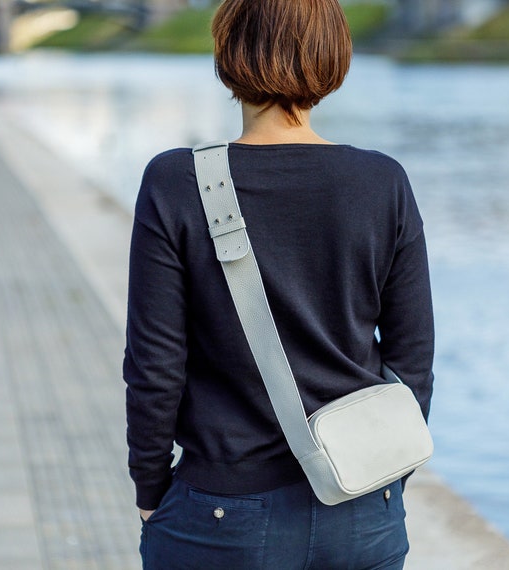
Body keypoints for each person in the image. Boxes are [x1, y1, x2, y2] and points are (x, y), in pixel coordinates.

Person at [123, 0, 434, 568]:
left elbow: (155, 365)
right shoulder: (382, 181)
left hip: (219, 511)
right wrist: (384, 478)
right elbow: (412, 365)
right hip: (363, 507)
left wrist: (149, 490)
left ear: (228, 51)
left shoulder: (175, 182)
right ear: (332, 55)